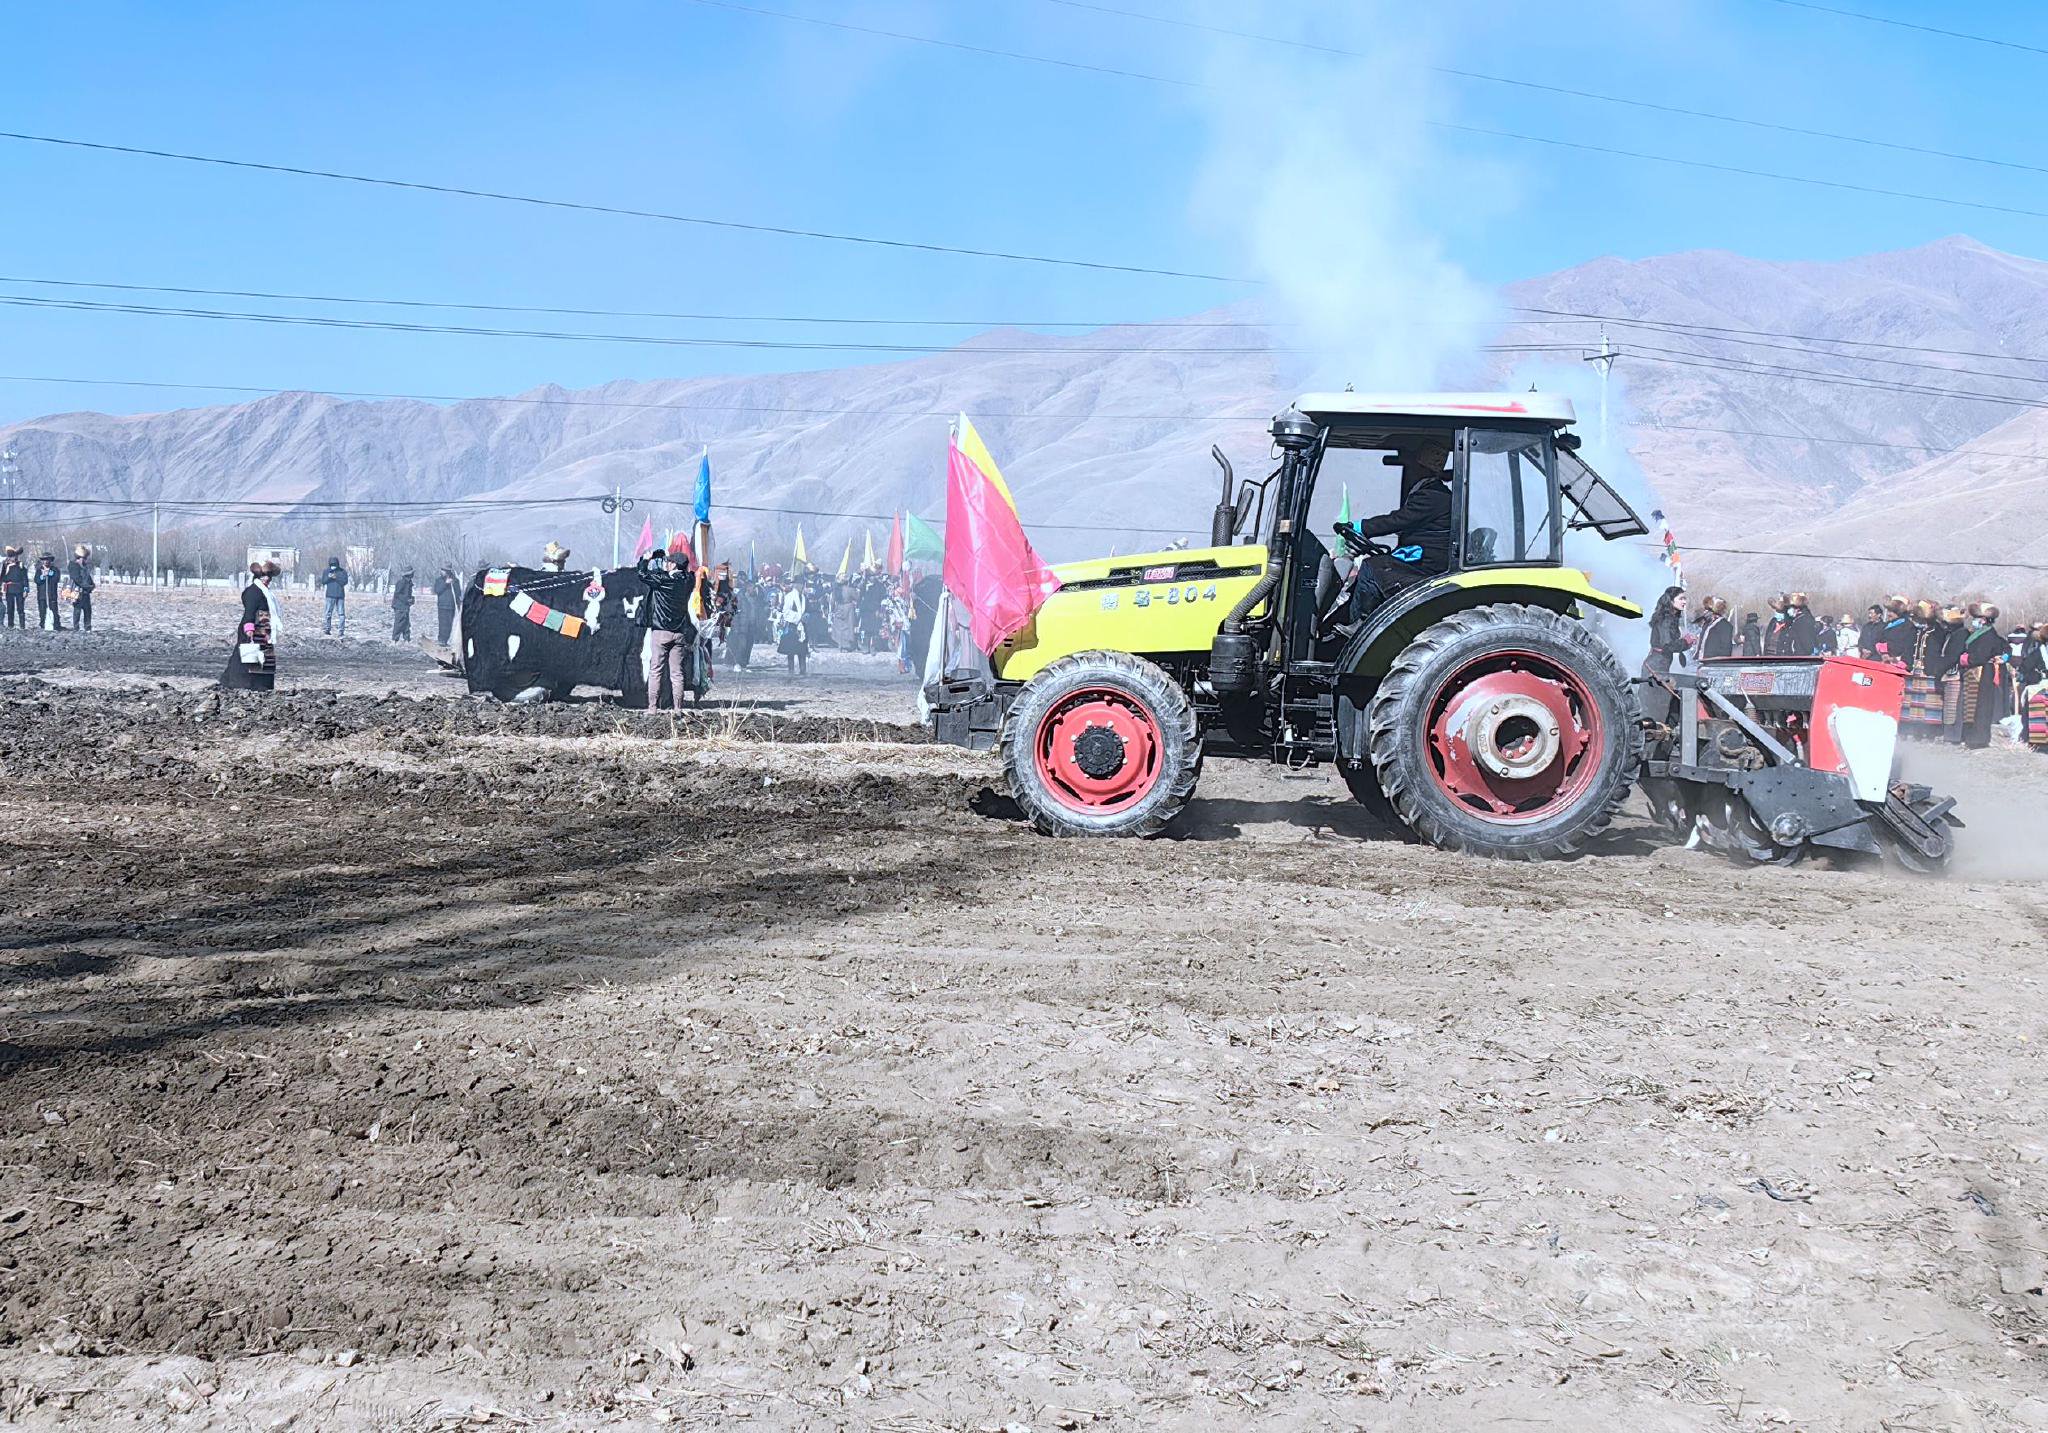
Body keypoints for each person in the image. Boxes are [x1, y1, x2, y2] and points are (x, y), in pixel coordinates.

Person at [1332, 436, 1454, 621]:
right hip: (1425, 561)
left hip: (1427, 568)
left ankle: (1358, 626)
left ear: (1420, 467)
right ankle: (1339, 621)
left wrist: (1362, 527)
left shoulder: (1432, 496)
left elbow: (1399, 519)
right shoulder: (1431, 493)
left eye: (1410, 464)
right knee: (1377, 565)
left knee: (1372, 568)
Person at [638, 547, 696, 710]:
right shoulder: (688, 581)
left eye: (669, 562)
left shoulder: (663, 580)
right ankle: (678, 708)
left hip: (661, 631)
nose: (666, 564)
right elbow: (689, 574)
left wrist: (646, 560)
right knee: (677, 673)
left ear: (674, 565)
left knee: (655, 670)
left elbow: (642, 575)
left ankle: (652, 707)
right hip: (679, 632)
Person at [1953, 603, 2010, 749]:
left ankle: (1978, 739)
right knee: (1974, 705)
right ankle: (1972, 736)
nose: (1974, 621)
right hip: (1978, 673)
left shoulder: (1988, 635)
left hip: (1983, 673)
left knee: (1981, 706)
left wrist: (1966, 659)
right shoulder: (1983, 633)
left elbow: (1981, 655)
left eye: (1976, 618)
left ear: (1984, 619)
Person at [221, 560, 283, 690]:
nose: (266, 579)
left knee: (263, 656)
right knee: (248, 656)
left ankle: (263, 684)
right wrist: (249, 627)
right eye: (263, 577)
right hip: (254, 628)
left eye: (268, 577)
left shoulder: (267, 593)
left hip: (264, 630)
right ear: (258, 577)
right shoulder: (253, 591)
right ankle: (242, 683)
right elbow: (250, 610)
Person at [1644, 585, 1690, 679]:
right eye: (1681, 599)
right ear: (1671, 600)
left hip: (1659, 665)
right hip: (1656, 667)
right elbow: (1667, 646)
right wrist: (1686, 642)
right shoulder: (1665, 620)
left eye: (1684, 599)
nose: (1684, 602)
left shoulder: (1669, 618)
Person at [778, 579, 810, 676]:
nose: (801, 586)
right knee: (791, 650)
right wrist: (799, 617)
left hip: (802, 626)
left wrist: (806, 616)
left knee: (802, 649)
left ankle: (803, 669)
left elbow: (807, 610)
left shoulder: (804, 597)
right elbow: (786, 612)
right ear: (795, 585)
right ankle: (791, 670)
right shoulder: (789, 596)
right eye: (799, 584)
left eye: (802, 584)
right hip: (792, 625)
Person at [65, 545, 96, 633]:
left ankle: (87, 627)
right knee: (77, 610)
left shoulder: (85, 567)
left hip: (85, 592)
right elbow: (77, 579)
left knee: (87, 610)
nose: (85, 560)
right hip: (77, 592)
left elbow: (88, 577)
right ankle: (76, 627)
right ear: (79, 558)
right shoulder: (73, 566)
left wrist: (92, 584)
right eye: (84, 558)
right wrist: (86, 586)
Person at [1697, 595, 1734, 660]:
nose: (1704, 611)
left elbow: (1726, 652)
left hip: (1713, 665)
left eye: (1707, 609)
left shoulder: (1725, 626)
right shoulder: (1707, 624)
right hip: (1701, 663)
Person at [320, 557, 349, 636]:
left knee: (341, 614)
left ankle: (341, 631)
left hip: (340, 595)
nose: (333, 566)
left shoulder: (342, 572)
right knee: (328, 613)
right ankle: (327, 629)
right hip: (330, 595)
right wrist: (329, 577)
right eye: (332, 564)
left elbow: (344, 582)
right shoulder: (326, 571)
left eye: (334, 564)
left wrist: (336, 577)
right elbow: (323, 581)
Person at [32, 553, 61, 631]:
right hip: (42, 595)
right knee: (42, 611)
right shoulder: (39, 570)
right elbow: (36, 580)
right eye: (44, 560)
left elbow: (56, 579)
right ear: (42, 561)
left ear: (50, 561)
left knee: (54, 611)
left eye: (48, 560)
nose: (46, 561)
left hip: (52, 595)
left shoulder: (55, 570)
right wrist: (43, 576)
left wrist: (50, 574)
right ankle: (43, 625)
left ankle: (55, 625)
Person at [432, 565, 461, 645]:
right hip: (442, 606)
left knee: (449, 624)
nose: (442, 571)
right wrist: (445, 584)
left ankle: (446, 640)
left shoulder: (455, 581)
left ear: (448, 571)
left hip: (451, 606)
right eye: (442, 570)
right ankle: (441, 640)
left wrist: (459, 606)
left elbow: (458, 594)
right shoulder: (439, 580)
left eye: (444, 570)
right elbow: (437, 591)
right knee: (442, 624)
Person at [0, 546, 26, 630]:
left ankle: (22, 626)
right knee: (10, 608)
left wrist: (26, 589)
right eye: (10, 556)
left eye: (13, 556)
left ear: (16, 556)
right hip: (9, 589)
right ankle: (10, 625)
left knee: (20, 608)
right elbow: (2, 577)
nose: (12, 558)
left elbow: (24, 578)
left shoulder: (21, 565)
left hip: (19, 588)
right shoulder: (5, 565)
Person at [390, 566, 415, 642]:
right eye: (412, 573)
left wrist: (412, 599)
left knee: (406, 624)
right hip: (399, 606)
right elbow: (397, 594)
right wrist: (407, 600)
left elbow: (407, 594)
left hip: (405, 606)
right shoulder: (401, 582)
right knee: (399, 623)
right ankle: (394, 640)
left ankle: (406, 639)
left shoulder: (409, 583)